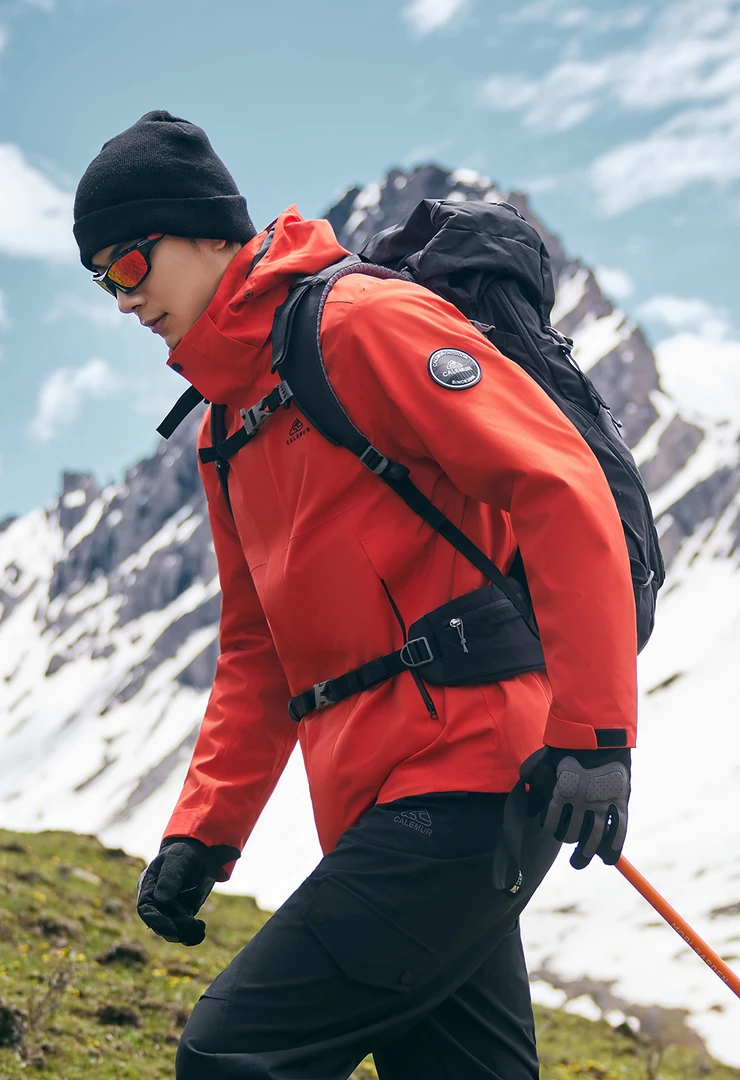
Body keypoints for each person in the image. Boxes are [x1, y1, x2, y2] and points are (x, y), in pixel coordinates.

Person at [73, 110, 638, 1080]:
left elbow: (556, 484)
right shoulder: (226, 426)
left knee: (233, 1054)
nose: (124, 299)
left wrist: (596, 736)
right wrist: (203, 835)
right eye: (101, 281)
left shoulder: (362, 324)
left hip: (476, 776)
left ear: (208, 231)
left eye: (130, 264)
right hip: (378, 806)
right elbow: (259, 653)